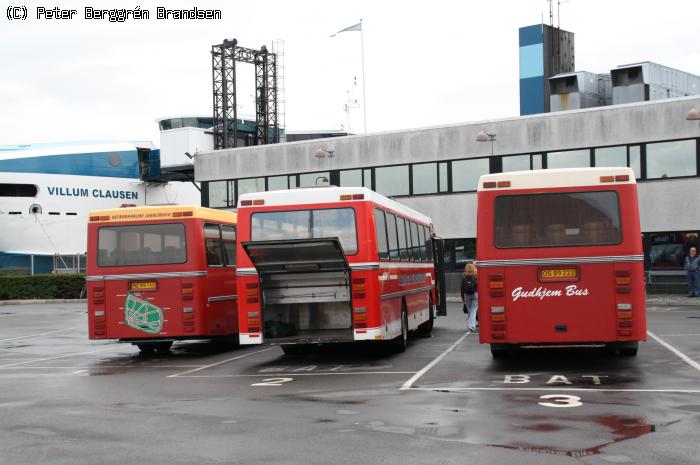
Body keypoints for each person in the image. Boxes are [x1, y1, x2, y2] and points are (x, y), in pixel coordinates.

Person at [461, 262, 478, 333]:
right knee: (474, 310)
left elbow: (461, 288)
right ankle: (472, 326)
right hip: (475, 294)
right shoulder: (476, 276)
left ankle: (471, 325)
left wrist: (462, 297)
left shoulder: (464, 277)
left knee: (470, 310)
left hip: (467, 295)